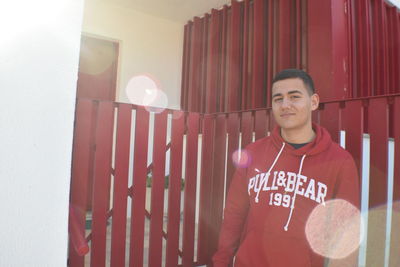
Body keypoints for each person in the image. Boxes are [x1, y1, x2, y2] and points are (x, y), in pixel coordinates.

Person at [212, 69, 360, 267]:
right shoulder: (253, 153)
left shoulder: (340, 161)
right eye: (278, 99)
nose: (285, 105)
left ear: (313, 102)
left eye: (294, 97)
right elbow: (233, 215)